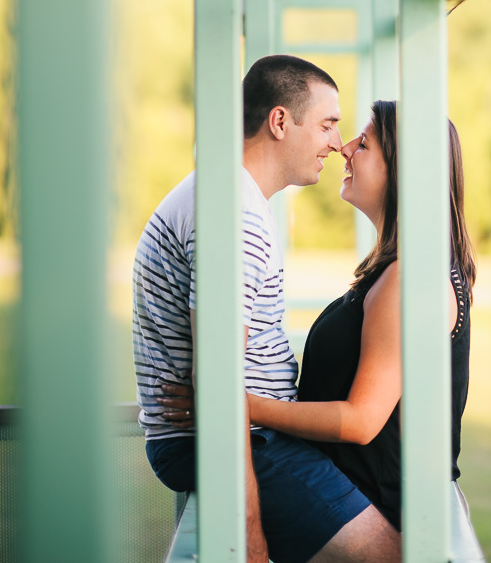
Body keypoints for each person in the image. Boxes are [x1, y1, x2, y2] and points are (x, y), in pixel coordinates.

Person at [133, 55, 401, 563]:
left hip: (250, 437)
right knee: (393, 555)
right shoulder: (234, 216)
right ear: (280, 121)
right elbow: (218, 379)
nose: (335, 143)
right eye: (327, 124)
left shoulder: (232, 200)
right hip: (241, 444)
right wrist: (249, 536)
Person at [162, 102, 476, 534]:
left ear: (405, 170)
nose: (344, 148)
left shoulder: (412, 277)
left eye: (364, 143)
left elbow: (361, 421)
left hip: (384, 516)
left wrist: (230, 404)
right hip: (359, 500)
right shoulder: (401, 267)